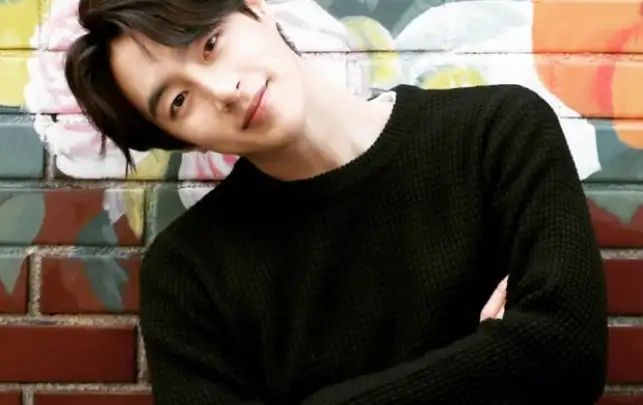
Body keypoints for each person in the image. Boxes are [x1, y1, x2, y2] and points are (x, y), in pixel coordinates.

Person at [63, 0, 609, 404]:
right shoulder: (189, 274)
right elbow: (535, 358)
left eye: (210, 44)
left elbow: (568, 352)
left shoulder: (495, 133)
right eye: (180, 101)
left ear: (255, 8)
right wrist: (494, 355)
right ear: (181, 140)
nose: (222, 91)